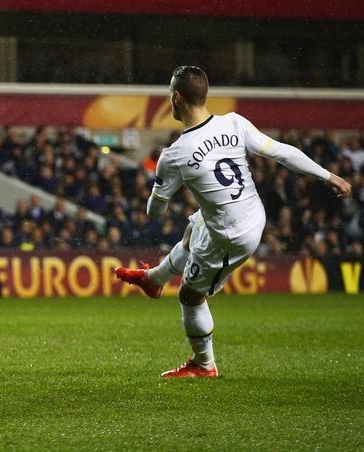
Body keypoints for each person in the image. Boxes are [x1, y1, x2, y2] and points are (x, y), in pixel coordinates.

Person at [114, 66, 351, 378]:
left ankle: (203, 364)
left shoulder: (174, 155)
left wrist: (156, 194)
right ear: (206, 95)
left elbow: (154, 213)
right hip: (251, 212)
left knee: (189, 295)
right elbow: (281, 153)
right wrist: (328, 176)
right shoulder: (234, 123)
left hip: (232, 235)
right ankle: (154, 280)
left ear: (176, 97)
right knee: (193, 228)